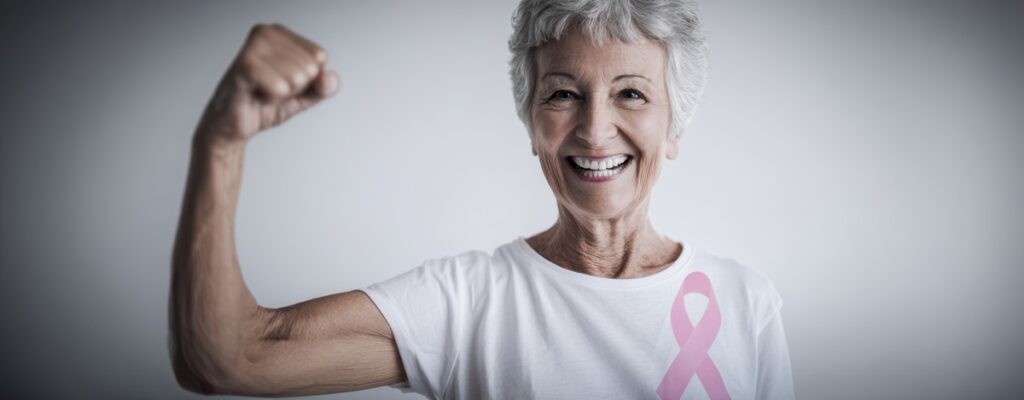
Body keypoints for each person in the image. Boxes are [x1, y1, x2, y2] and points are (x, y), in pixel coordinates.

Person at [169, 0, 796, 399]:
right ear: (531, 124)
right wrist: (219, 144)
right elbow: (230, 358)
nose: (595, 129)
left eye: (632, 94)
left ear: (675, 127)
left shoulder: (745, 301)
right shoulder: (467, 306)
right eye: (562, 94)